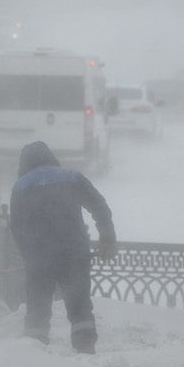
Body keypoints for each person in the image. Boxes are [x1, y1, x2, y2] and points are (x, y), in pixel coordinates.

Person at [9, 141, 116, 352]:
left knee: (38, 310)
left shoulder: (19, 187)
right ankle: (85, 349)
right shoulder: (71, 177)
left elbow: (16, 227)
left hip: (39, 260)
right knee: (80, 306)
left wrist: (28, 256)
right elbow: (99, 205)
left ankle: (33, 352)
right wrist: (107, 237)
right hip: (74, 254)